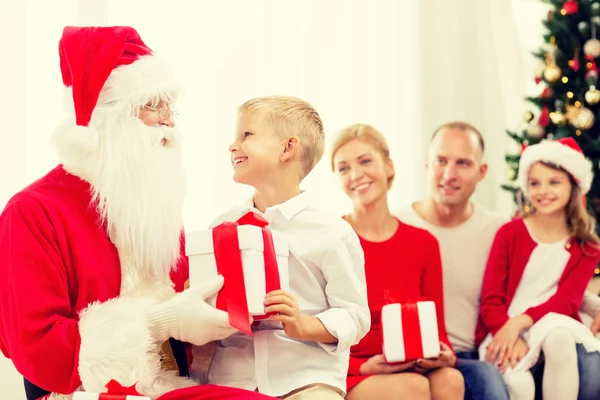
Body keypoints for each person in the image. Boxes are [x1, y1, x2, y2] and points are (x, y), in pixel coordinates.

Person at [0, 26, 275, 400]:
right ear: (109, 115)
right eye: (152, 105)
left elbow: (186, 314)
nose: (170, 121)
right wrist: (160, 323)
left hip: (176, 382)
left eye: (169, 106)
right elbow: (38, 351)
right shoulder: (32, 212)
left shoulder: (153, 207)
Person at [395, 121, 600, 400]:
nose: (449, 174)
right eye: (441, 160)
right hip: (449, 347)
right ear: (426, 164)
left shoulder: (496, 225)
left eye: (463, 163)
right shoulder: (399, 225)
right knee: (507, 382)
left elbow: (561, 289)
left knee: (581, 357)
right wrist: (509, 330)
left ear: (482, 172)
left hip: (497, 339)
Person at [205, 96, 370, 399]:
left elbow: (355, 315)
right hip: (232, 381)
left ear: (287, 148)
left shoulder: (332, 232)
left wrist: (303, 325)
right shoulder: (222, 227)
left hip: (305, 381)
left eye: (247, 135)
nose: (233, 145)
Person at [330, 123, 464, 400]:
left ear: (388, 166)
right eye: (343, 168)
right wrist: (364, 366)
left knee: (451, 379)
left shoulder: (423, 243)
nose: (356, 175)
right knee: (412, 388)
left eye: (365, 161)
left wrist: (445, 354)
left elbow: (436, 325)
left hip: (411, 360)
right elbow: (317, 332)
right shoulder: (332, 239)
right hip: (352, 368)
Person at [477, 137, 600, 400]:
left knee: (559, 337)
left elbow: (567, 301)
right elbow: (490, 299)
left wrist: (521, 321)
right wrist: (507, 330)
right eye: (535, 183)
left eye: (554, 182)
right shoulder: (510, 233)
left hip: (551, 322)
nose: (543, 191)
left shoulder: (586, 246)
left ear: (574, 186)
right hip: (504, 326)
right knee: (520, 386)